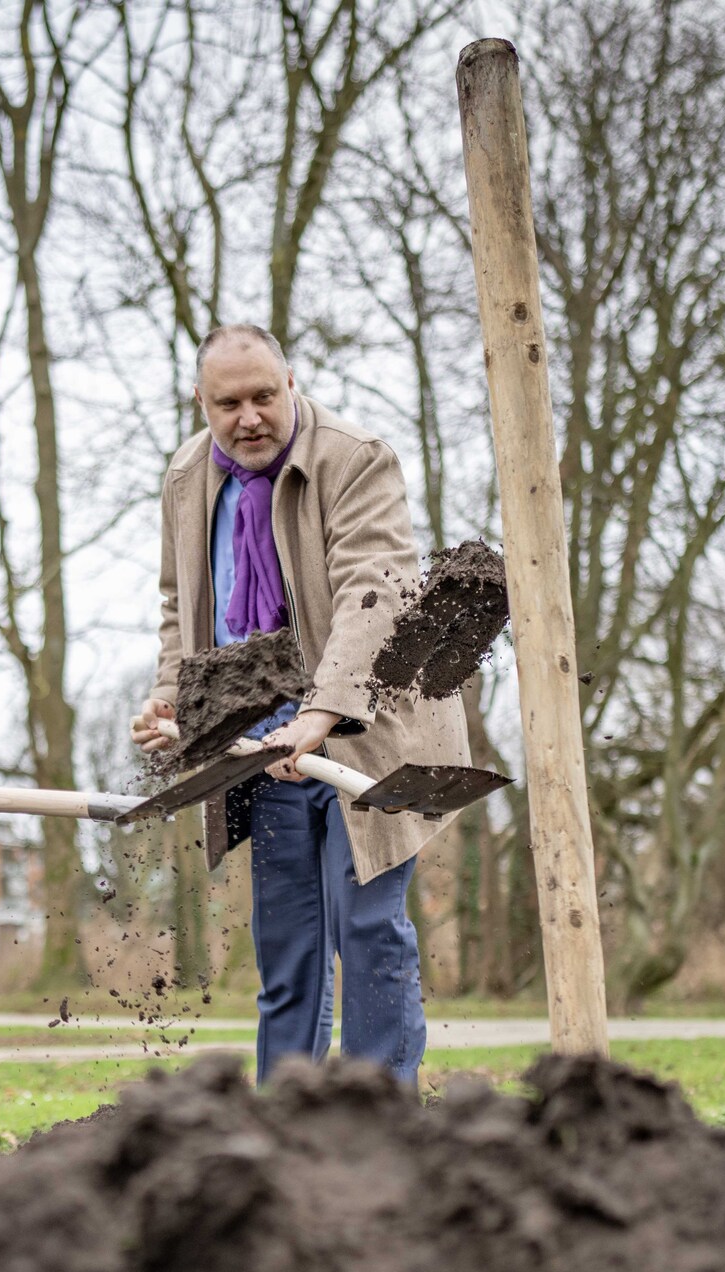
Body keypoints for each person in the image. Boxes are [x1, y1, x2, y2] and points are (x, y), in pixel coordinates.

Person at [133, 324, 467, 1085]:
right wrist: (168, 702)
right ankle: (285, 1115)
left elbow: (373, 591)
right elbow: (180, 603)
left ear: (291, 382)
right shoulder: (188, 476)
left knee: (369, 927)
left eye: (263, 396)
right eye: (228, 403)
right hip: (260, 739)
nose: (249, 417)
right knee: (287, 944)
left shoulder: (354, 458)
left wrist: (322, 714)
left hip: (368, 729)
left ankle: (375, 1111)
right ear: (200, 401)